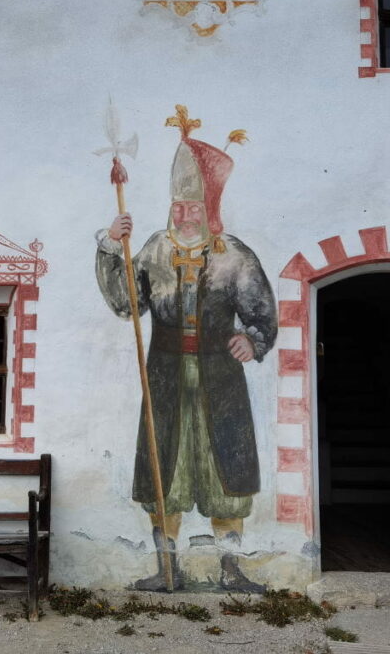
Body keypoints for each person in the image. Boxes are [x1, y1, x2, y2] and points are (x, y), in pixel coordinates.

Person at [95, 113, 277, 592]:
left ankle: (231, 570)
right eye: (178, 206)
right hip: (166, 376)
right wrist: (112, 244)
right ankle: (167, 570)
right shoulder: (153, 248)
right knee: (163, 473)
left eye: (193, 206)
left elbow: (262, 315)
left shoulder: (234, 255)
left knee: (227, 475)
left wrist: (252, 340)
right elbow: (124, 303)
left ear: (208, 206)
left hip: (220, 379)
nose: (184, 215)